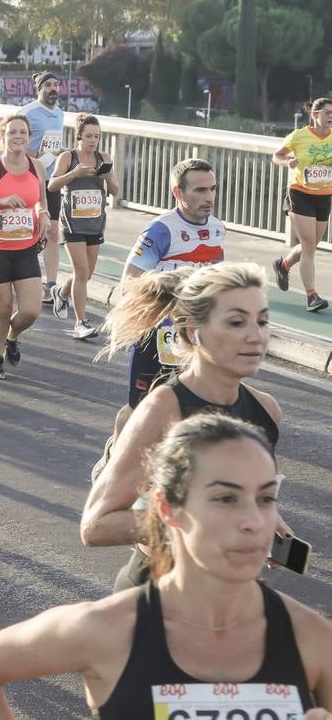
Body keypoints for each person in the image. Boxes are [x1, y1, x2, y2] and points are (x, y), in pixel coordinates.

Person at [0, 413, 330, 719]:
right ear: (168, 509)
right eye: (226, 499)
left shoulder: (313, 639)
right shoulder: (107, 629)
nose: (254, 521)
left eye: (266, 499)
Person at [85, 262, 285, 591]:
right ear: (194, 330)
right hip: (158, 591)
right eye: (237, 322)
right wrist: (204, 524)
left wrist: (266, 518)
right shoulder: (162, 410)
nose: (256, 336)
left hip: (226, 593)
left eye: (262, 321)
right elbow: (97, 526)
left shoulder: (266, 410)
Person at [118, 158, 225, 412]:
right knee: (140, 411)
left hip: (197, 335)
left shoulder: (218, 229)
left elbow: (218, 281)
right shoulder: (160, 230)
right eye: (200, 190)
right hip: (158, 335)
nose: (209, 197)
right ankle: (117, 450)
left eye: (212, 189)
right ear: (178, 193)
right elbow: (129, 282)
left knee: (191, 410)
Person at [0, 114, 48, 379]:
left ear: (28, 136)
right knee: (2, 309)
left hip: (26, 246)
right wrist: (0, 202)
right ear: (2, 137)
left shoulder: (36, 166)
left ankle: (12, 336)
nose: (18, 137)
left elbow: (41, 201)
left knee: (30, 311)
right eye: (12, 132)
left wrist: (44, 215)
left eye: (22, 132)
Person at [48, 114, 119, 338]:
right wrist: (74, 174)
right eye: (88, 136)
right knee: (80, 271)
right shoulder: (68, 157)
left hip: (95, 223)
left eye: (96, 136)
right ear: (79, 135)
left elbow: (116, 192)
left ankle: (61, 292)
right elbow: (52, 185)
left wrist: (108, 178)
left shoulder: (104, 157)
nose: (92, 140)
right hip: (72, 223)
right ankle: (81, 323)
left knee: (87, 274)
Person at [272, 96, 332, 312]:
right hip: (300, 193)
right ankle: (312, 296)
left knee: (311, 246)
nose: (331, 117)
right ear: (315, 115)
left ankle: (283, 265)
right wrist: (288, 161)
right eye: (327, 113)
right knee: (308, 247)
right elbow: (276, 156)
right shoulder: (300, 136)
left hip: (324, 195)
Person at [23, 71, 66, 307]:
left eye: (56, 85)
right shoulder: (27, 113)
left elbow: (54, 145)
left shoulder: (60, 113)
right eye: (48, 85)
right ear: (39, 89)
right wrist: (44, 157)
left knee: (52, 233)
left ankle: (50, 286)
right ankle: (25, 279)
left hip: (51, 182)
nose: (53, 89)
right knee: (31, 233)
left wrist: (57, 158)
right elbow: (17, 148)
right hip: (30, 180)